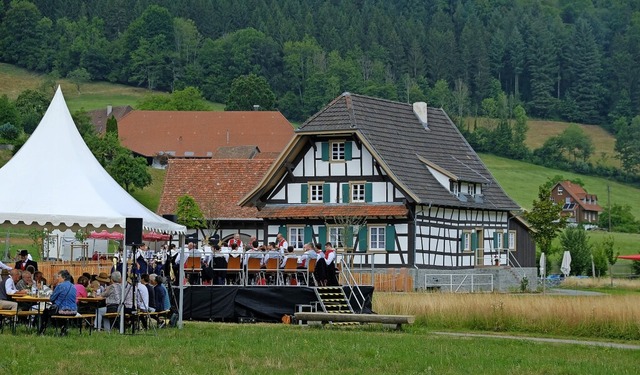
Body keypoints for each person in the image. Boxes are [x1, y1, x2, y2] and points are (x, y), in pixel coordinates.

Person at [40, 270, 77, 335]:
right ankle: (63, 330)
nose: (57, 278)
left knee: (45, 312)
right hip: (73, 311)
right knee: (56, 312)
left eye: (59, 276)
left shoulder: (60, 286)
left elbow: (52, 298)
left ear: (64, 277)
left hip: (62, 311)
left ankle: (42, 331)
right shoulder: (73, 286)